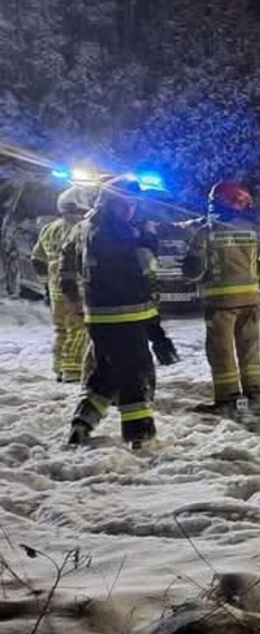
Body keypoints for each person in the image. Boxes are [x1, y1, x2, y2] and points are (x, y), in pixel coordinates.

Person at [62, 176, 178, 448]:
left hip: (98, 316)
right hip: (127, 316)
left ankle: (83, 422)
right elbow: (144, 269)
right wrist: (149, 240)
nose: (132, 209)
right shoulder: (120, 231)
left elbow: (67, 270)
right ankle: (140, 435)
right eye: (127, 203)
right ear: (112, 202)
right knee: (135, 376)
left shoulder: (82, 227)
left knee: (107, 373)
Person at [182, 181, 260, 414]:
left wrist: (187, 267)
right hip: (251, 298)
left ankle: (227, 398)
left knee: (221, 350)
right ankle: (254, 390)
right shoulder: (253, 229)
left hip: (221, 303)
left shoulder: (207, 231)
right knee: (249, 347)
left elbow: (194, 270)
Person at [32, 187, 92, 383]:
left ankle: (59, 368)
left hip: (56, 289)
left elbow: (37, 259)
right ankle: (73, 371)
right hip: (76, 289)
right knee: (79, 328)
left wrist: (46, 286)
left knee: (61, 329)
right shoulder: (83, 228)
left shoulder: (49, 229)